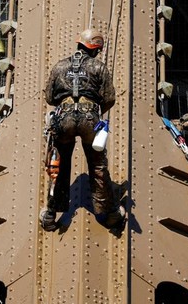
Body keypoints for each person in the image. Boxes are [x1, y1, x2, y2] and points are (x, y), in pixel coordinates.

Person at [41, 28, 125, 232]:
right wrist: (95, 112)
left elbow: (50, 98)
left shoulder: (60, 66)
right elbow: (110, 98)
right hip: (89, 119)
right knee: (98, 166)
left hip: (64, 118)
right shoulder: (99, 66)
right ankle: (111, 214)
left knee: (58, 165)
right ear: (95, 48)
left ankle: (51, 215)